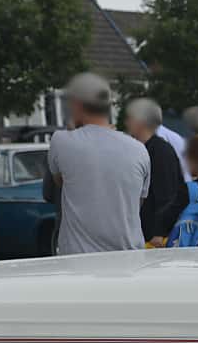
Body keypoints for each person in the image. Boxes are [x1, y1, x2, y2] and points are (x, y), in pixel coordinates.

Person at [45, 72, 149, 255]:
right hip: (129, 257)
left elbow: (60, 181)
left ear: (76, 104)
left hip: (79, 260)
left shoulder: (61, 141)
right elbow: (137, 201)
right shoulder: (139, 149)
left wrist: (73, 128)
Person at [125, 98, 188, 245]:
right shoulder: (143, 148)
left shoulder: (160, 151)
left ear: (140, 121)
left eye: (130, 118)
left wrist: (159, 232)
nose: (127, 122)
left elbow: (167, 194)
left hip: (155, 238)